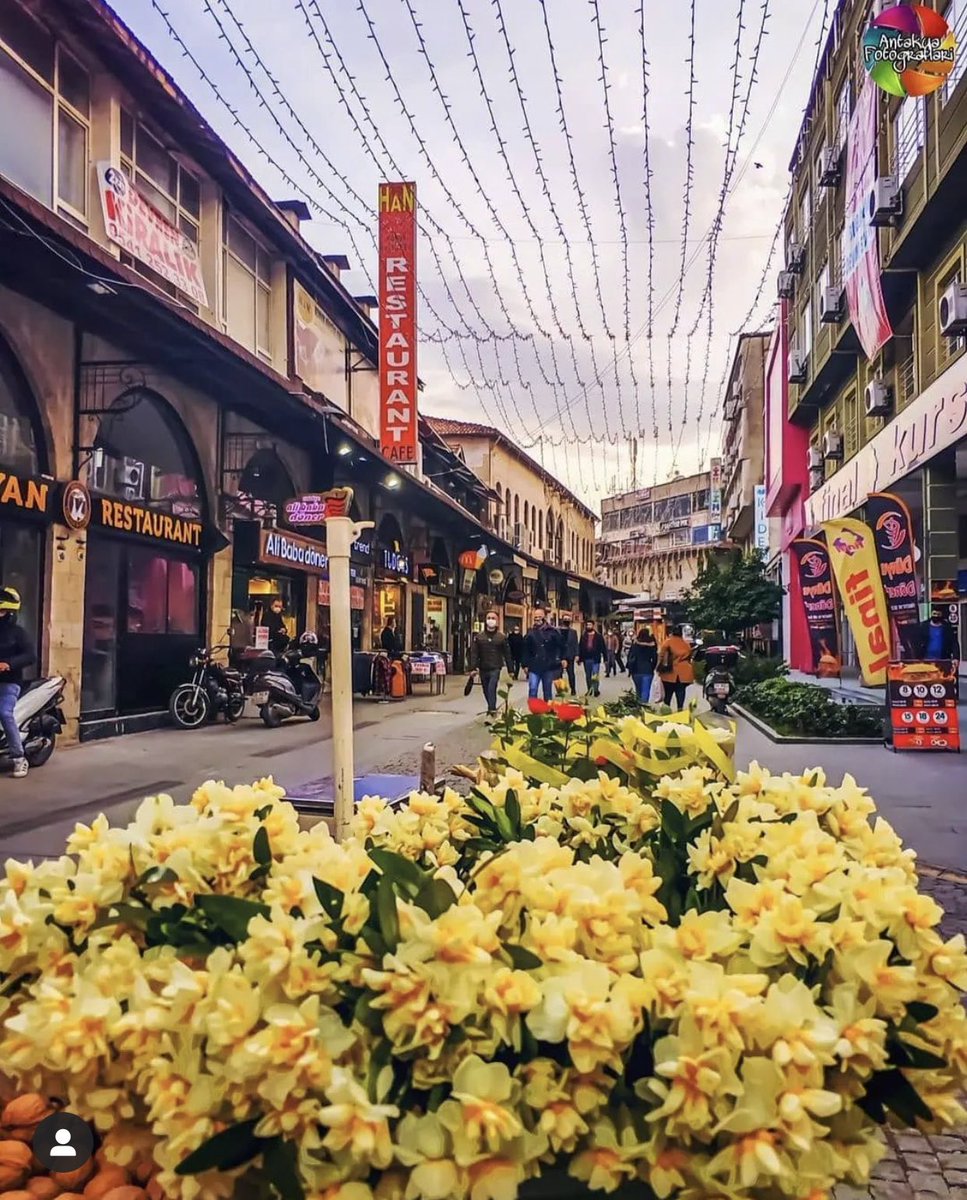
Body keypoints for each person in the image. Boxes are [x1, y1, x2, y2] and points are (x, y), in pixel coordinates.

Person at [0, 586, 36, 779]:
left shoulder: (17, 633)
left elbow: (31, 656)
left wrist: (8, 664)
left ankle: (18, 758)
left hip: (9, 683)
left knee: (4, 713)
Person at [469, 611, 513, 714]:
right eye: (489, 618)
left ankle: (491, 711)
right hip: (483, 667)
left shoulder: (501, 637)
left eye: (493, 618)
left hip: (496, 667)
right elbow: (474, 653)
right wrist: (473, 668)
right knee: (486, 690)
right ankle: (492, 707)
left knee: (491, 688)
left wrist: (511, 670)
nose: (491, 620)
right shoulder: (479, 637)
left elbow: (507, 654)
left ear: (497, 621)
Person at [522, 607, 562, 701]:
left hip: (548, 666)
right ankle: (533, 709)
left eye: (539, 616)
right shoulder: (530, 633)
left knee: (547, 690)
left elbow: (560, 646)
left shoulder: (553, 632)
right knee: (533, 688)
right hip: (534, 666)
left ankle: (548, 710)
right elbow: (525, 650)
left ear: (544, 617)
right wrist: (525, 665)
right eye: (535, 617)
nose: (537, 619)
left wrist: (560, 659)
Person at [657, 623, 694, 710]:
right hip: (684, 672)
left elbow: (661, 656)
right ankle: (680, 710)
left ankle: (666, 711)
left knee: (668, 694)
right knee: (680, 692)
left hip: (669, 672)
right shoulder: (686, 644)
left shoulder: (667, 642)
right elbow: (690, 656)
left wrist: (657, 668)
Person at [626, 626, 659, 704]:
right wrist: (652, 667)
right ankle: (644, 707)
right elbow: (655, 658)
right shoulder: (652, 645)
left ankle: (639, 706)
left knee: (638, 690)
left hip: (636, 671)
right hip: (647, 670)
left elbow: (630, 656)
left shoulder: (635, 644)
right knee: (646, 691)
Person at [577, 621, 606, 696]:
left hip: (595, 658)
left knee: (595, 675)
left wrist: (605, 658)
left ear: (593, 626)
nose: (588, 626)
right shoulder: (583, 636)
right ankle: (589, 689)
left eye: (590, 625)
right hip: (586, 658)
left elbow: (603, 647)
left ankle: (596, 690)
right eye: (587, 625)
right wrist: (579, 659)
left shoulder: (598, 636)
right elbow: (580, 647)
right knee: (588, 675)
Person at [559, 615, 579, 693]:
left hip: (570, 655)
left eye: (568, 619)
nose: (567, 620)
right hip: (560, 656)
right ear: (562, 620)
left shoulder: (573, 632)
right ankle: (561, 690)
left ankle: (573, 689)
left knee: (571, 674)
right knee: (559, 674)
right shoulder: (557, 631)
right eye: (565, 619)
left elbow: (575, 643)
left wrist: (577, 654)